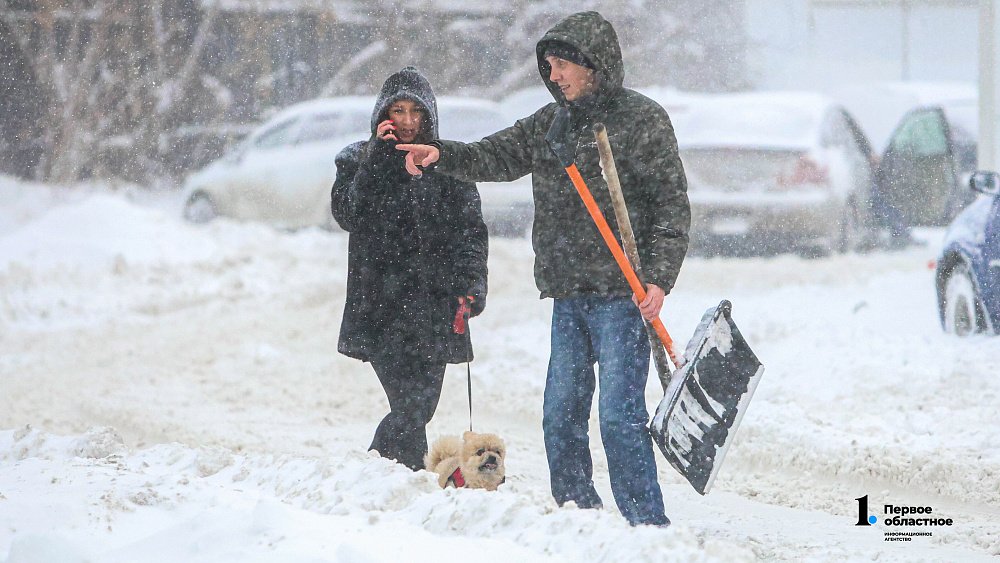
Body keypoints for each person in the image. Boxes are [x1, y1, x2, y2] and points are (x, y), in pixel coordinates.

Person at [397, 12, 689, 526]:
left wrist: (660, 277)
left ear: (592, 64)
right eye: (548, 66)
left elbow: (671, 205)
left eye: (560, 66)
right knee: (560, 417)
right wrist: (438, 154)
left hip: (623, 296)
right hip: (567, 294)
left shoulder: (643, 120)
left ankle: (647, 527)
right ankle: (579, 515)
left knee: (620, 418)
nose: (552, 76)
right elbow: (495, 155)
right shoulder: (551, 123)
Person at [331, 66, 488, 471]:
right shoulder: (356, 160)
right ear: (382, 114)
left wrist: (472, 284)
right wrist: (378, 162)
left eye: (414, 112)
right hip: (380, 303)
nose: (405, 121)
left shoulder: (447, 163)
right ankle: (404, 476)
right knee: (410, 405)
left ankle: (381, 472)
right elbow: (350, 213)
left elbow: (470, 232)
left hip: (436, 304)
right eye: (397, 111)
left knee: (421, 406)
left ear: (428, 116)